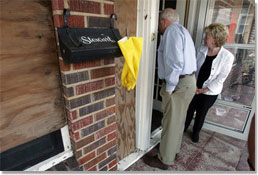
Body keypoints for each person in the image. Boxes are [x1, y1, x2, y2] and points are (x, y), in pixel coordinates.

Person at [143, 8, 197, 170]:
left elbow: (175, 62)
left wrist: (170, 87)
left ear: (163, 21)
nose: (158, 26)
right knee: (178, 120)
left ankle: (165, 159)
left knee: (170, 122)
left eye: (159, 22)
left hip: (179, 84)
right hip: (188, 82)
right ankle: (173, 150)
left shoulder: (172, 32)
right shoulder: (182, 30)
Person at [184, 23, 234, 143]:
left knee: (201, 113)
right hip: (194, 87)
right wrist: (194, 85)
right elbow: (193, 68)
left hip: (209, 92)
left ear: (216, 39)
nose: (204, 38)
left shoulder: (227, 57)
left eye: (207, 36)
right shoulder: (201, 49)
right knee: (189, 110)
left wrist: (203, 90)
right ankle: (183, 128)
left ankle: (196, 132)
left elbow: (221, 78)